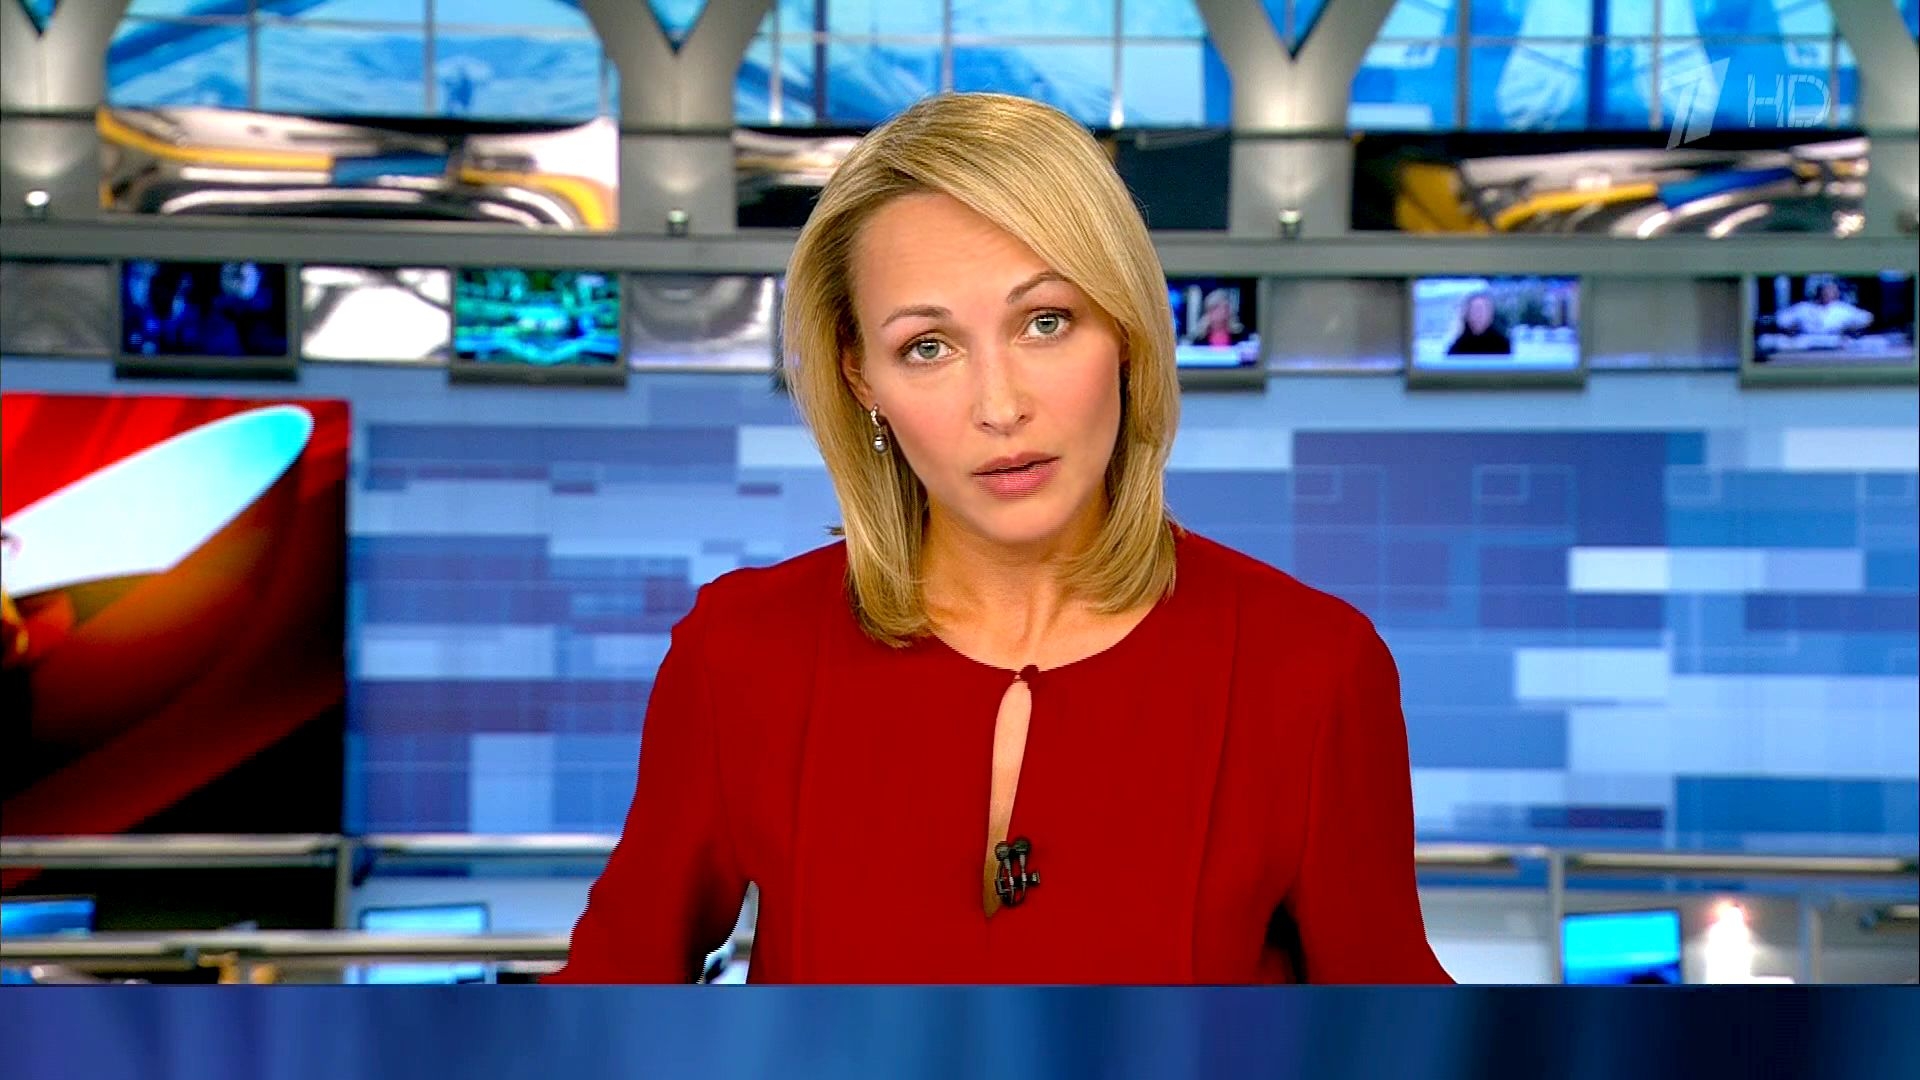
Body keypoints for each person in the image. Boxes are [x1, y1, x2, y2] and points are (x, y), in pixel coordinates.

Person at [549, 93, 1452, 985]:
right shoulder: (742, 653)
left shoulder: (1313, 670)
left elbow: (1399, 1031)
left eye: (1045, 321)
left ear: (1125, 330)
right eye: (928, 347)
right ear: (860, 376)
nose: (1000, 406)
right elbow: (601, 1005)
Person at [1774, 276, 1874, 336]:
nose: (1828, 294)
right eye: (1825, 291)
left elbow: (1867, 318)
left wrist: (1849, 329)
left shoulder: (1842, 308)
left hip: (1835, 343)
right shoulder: (1803, 307)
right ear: (1819, 292)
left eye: (1832, 291)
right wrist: (1794, 330)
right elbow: (1781, 320)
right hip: (1806, 343)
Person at [1446, 291, 1512, 356]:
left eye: (1482, 310)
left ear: (1490, 314)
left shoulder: (1503, 344)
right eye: (1474, 310)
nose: (1478, 315)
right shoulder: (1457, 347)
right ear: (1467, 314)